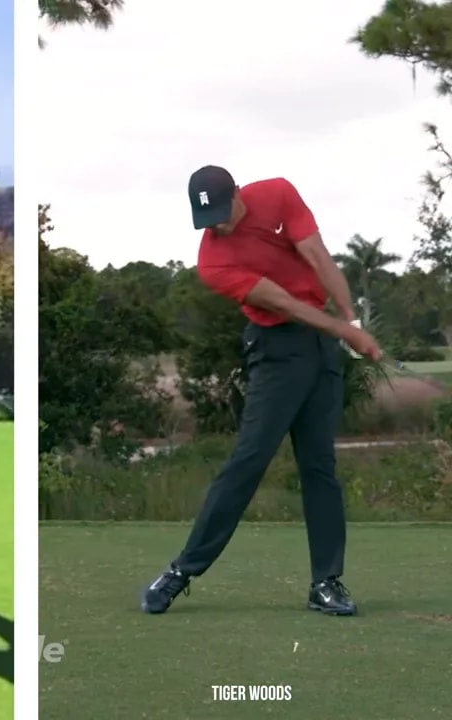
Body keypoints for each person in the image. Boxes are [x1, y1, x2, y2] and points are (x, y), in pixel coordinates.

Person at [140, 166, 382, 617]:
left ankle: (325, 583)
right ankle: (182, 571)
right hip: (276, 350)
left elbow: (318, 256)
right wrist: (346, 333)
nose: (216, 226)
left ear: (237, 194)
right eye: (205, 218)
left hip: (322, 349)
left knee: (320, 467)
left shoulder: (277, 194)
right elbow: (285, 304)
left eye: (220, 213)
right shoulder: (213, 262)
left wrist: (350, 321)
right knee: (249, 460)